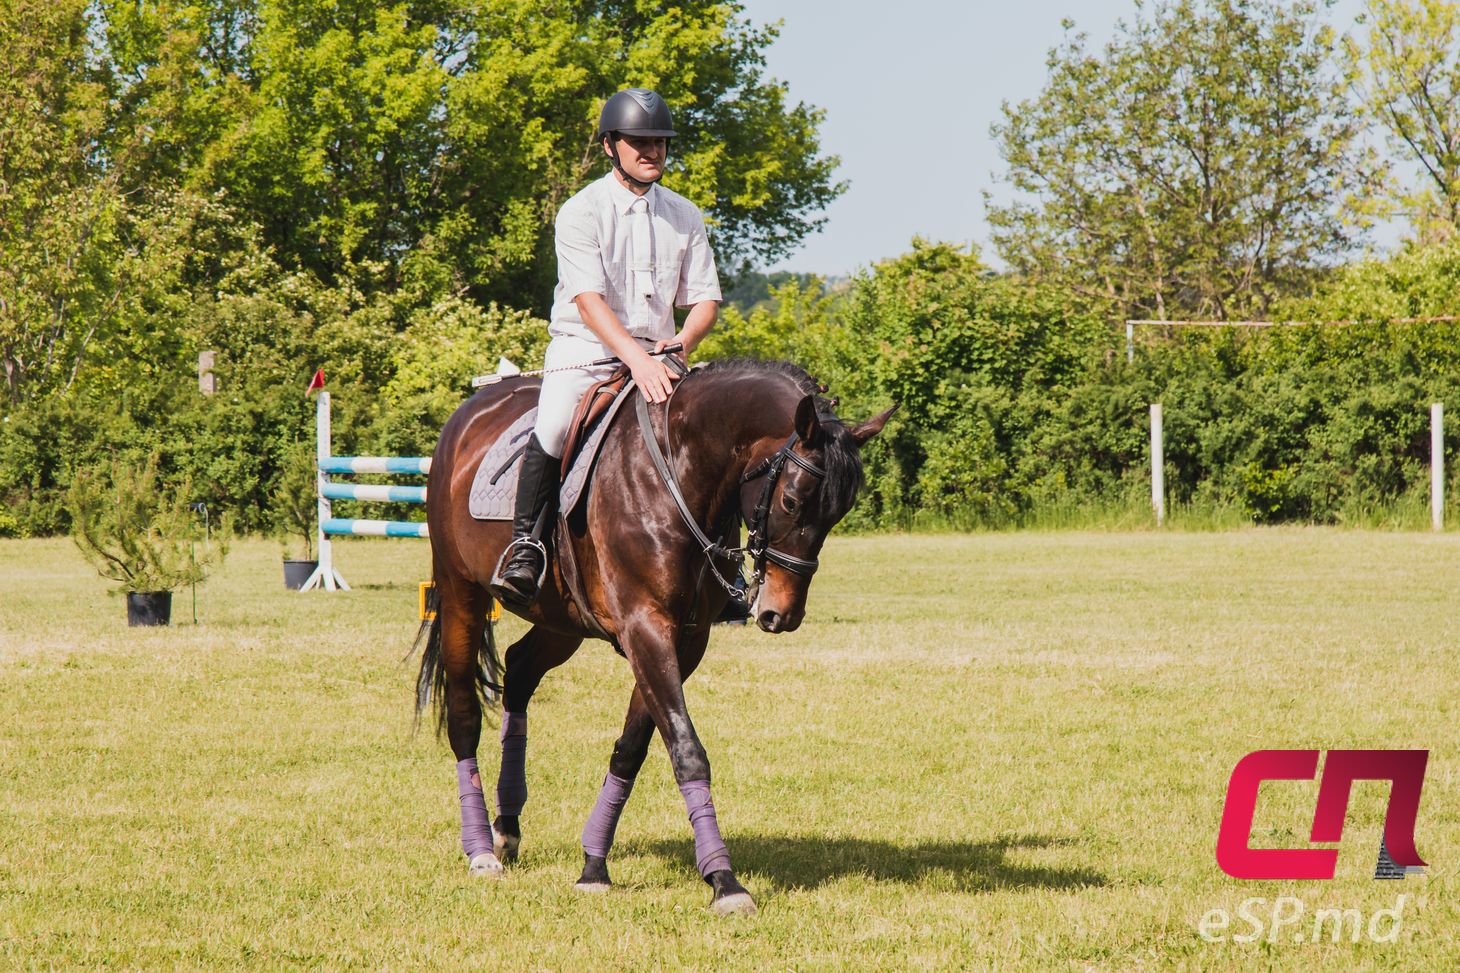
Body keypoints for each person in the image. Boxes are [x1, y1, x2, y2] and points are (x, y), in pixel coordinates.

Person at [492, 88, 723, 607]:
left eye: (660, 142)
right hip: (585, 349)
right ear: (609, 146)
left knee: (710, 432)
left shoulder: (685, 214)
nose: (652, 151)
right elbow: (590, 303)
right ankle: (527, 546)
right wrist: (636, 361)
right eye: (638, 141)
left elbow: (705, 298)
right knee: (552, 424)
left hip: (661, 357)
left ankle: (716, 562)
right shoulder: (581, 211)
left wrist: (682, 341)